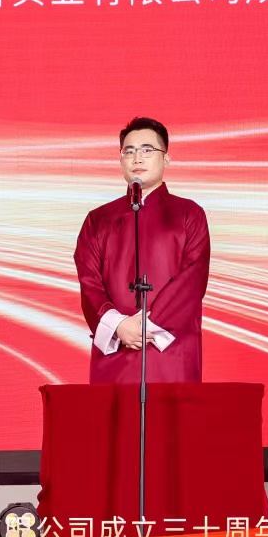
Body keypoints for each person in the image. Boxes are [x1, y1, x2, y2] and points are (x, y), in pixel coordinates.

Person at [73, 116, 211, 384]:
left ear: (166, 159)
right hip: (116, 347)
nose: (137, 158)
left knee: (170, 411)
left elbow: (192, 280)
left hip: (171, 349)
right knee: (113, 411)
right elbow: (89, 281)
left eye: (147, 150)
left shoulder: (189, 214)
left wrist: (147, 326)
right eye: (129, 151)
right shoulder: (98, 220)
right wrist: (118, 325)